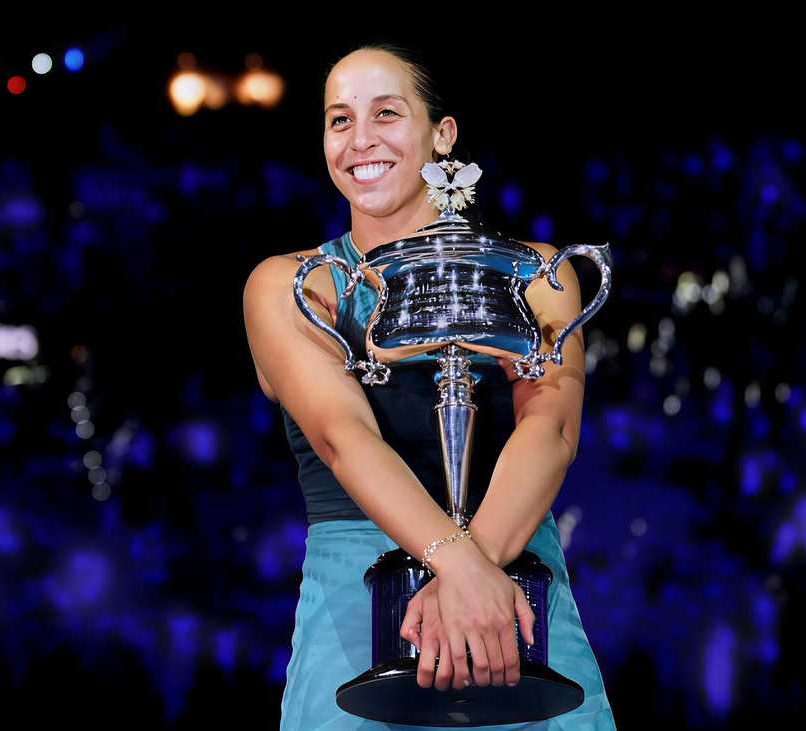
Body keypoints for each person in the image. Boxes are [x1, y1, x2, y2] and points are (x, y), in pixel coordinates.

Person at [243, 41, 618, 730]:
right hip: (359, 598)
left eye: (386, 113)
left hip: (517, 589)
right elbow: (343, 438)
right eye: (338, 120)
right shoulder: (294, 286)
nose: (360, 141)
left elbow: (553, 429)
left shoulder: (536, 272)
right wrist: (461, 569)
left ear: (442, 134)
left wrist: (475, 579)